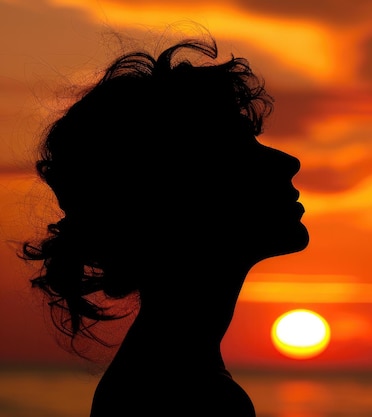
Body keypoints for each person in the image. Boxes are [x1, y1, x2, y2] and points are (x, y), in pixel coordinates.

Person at [19, 35, 309, 416]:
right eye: (236, 148)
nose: (288, 161)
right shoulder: (189, 394)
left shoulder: (162, 375)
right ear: (176, 190)